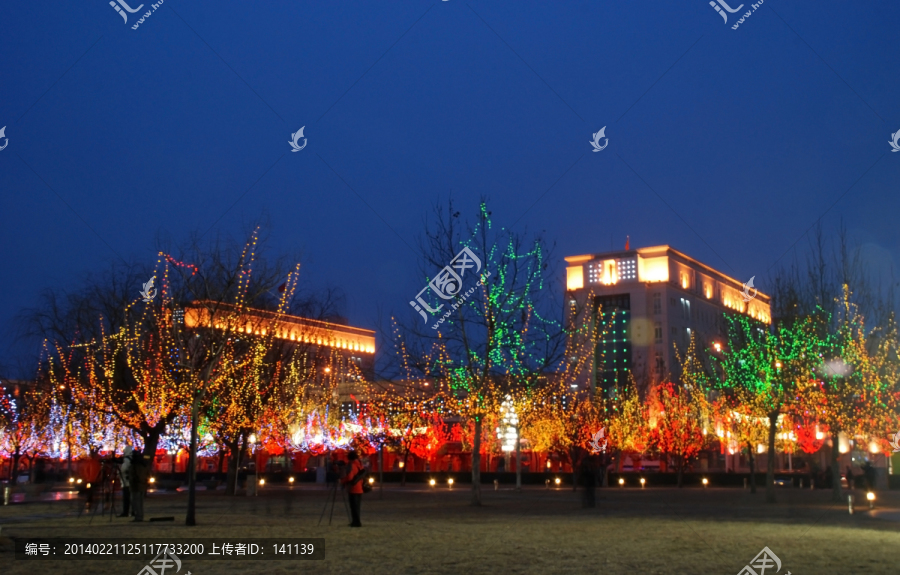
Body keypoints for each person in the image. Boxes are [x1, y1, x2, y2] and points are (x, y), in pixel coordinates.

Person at [341, 451, 366, 527]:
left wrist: (342, 480)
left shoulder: (351, 465)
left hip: (353, 488)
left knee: (353, 506)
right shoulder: (360, 464)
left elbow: (350, 477)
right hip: (360, 488)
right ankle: (357, 521)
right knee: (357, 506)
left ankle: (355, 522)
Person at [129, 449, 149, 522]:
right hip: (142, 485)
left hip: (136, 485)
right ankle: (140, 515)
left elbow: (135, 475)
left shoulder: (135, 465)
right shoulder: (144, 464)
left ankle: (138, 516)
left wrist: (131, 478)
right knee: (140, 502)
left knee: (136, 501)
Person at [118, 445, 133, 517]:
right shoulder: (132, 459)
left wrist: (119, 471)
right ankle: (133, 511)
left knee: (126, 498)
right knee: (132, 498)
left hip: (126, 482)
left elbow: (123, 470)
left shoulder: (126, 460)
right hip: (131, 482)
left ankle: (125, 512)